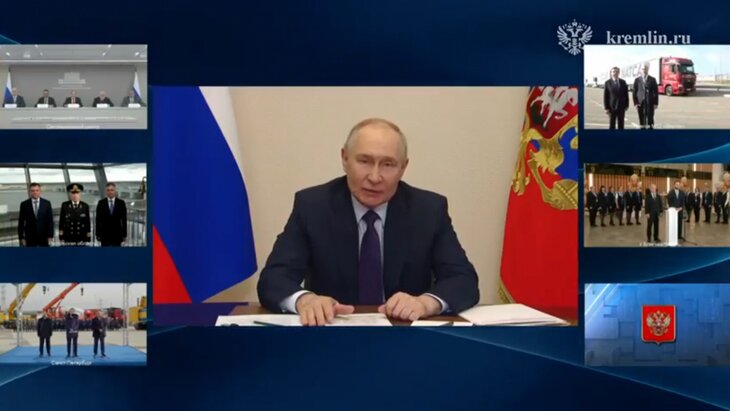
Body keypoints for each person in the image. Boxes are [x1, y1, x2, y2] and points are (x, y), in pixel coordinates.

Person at [257, 118, 479, 326]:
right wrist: (305, 300)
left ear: (403, 167)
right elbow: (274, 279)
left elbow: (463, 280)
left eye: (388, 164)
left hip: (405, 335)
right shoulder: (313, 206)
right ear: (345, 159)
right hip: (332, 334)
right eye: (364, 161)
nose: (374, 177)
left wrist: (425, 303)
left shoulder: (428, 210)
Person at [632, 64, 659, 129]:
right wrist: (635, 103)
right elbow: (634, 92)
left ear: (648, 69)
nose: (644, 70)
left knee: (650, 119)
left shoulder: (652, 79)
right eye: (643, 69)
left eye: (645, 69)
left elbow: (655, 92)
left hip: (650, 103)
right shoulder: (637, 80)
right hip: (640, 103)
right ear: (640, 70)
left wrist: (655, 103)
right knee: (641, 119)